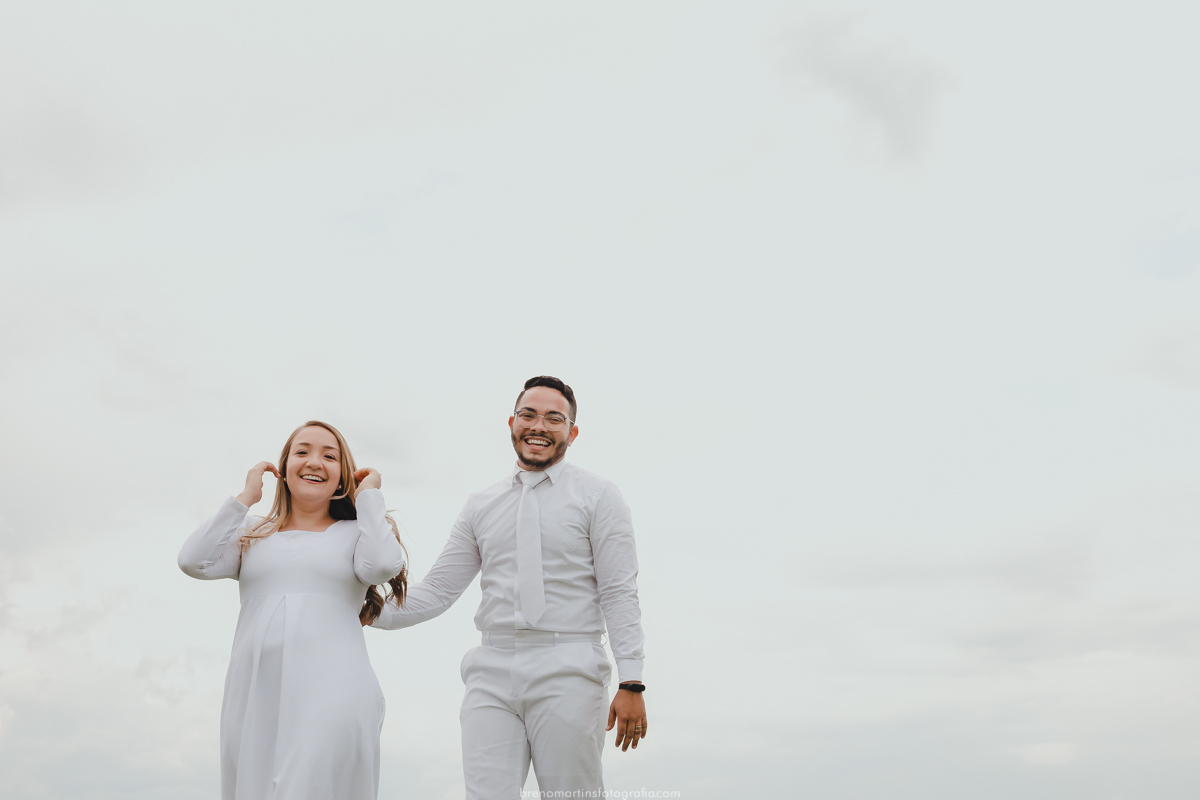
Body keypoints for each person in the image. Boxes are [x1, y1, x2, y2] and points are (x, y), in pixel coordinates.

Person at [371, 376, 647, 799]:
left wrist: (632, 681)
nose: (539, 425)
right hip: (491, 668)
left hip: (571, 666)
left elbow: (618, 590)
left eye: (554, 418)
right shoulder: (480, 504)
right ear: (511, 423)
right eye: (528, 414)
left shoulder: (599, 496)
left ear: (571, 433)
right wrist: (362, 608)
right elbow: (438, 590)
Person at [178, 420, 408, 800]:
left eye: (329, 456)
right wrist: (244, 499)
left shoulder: (357, 535)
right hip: (257, 693)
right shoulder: (252, 532)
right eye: (302, 452)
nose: (314, 462)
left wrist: (369, 497)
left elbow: (383, 565)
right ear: (284, 470)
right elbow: (192, 561)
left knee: (309, 784)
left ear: (342, 478)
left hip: (335, 689)